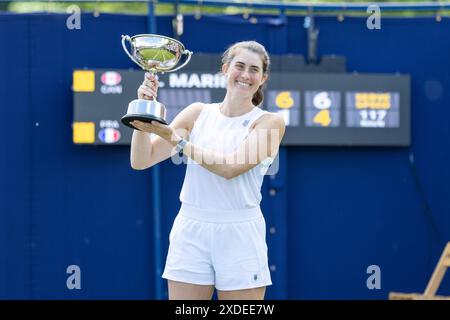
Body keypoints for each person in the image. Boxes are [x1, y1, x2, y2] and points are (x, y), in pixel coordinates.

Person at [129, 41, 285, 300]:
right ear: (225, 69)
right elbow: (141, 160)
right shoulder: (197, 112)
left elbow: (230, 167)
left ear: (263, 78)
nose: (246, 75)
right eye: (239, 66)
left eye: (254, 70)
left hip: (240, 234)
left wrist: (176, 139)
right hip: (190, 229)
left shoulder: (270, 122)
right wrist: (143, 116)